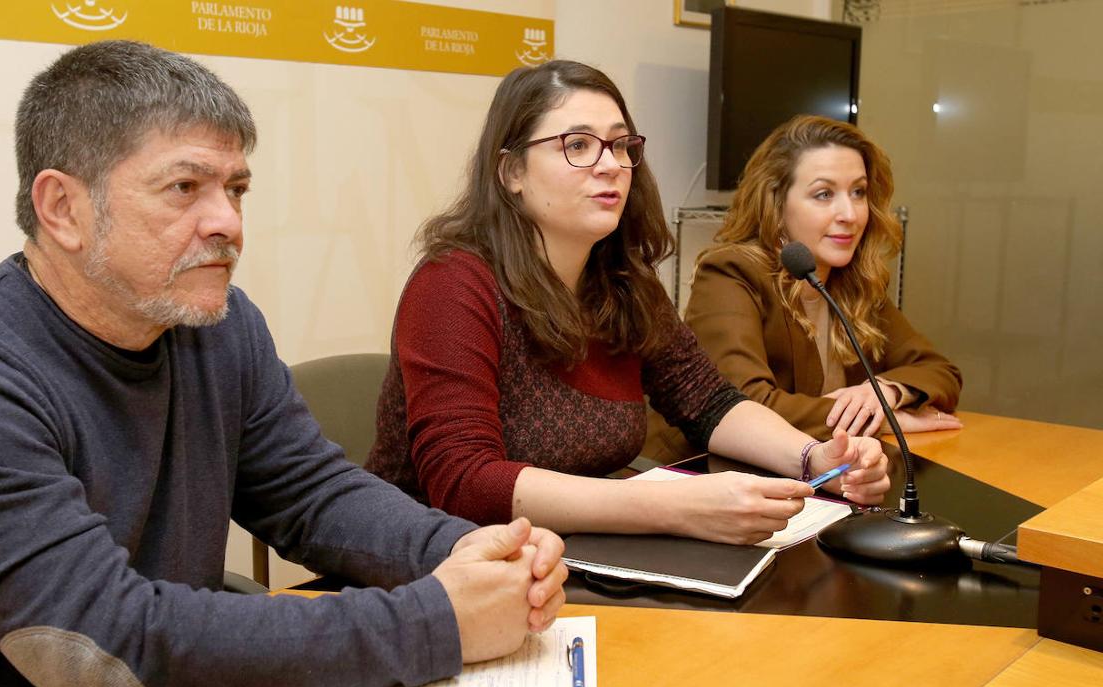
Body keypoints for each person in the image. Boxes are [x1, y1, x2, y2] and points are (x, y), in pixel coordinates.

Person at [0, 41, 568, 687]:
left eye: (237, 190)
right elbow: (108, 653)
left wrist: (459, 549)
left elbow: (311, 494)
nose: (227, 222)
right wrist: (436, 622)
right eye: (185, 188)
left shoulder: (218, 326)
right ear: (62, 208)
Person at [364, 60, 890, 545]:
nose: (610, 165)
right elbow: (464, 482)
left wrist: (813, 457)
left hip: (571, 553)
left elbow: (708, 402)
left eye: (620, 146)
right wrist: (668, 505)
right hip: (430, 566)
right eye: (577, 145)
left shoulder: (622, 280)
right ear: (512, 173)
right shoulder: (451, 285)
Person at [683, 114, 964, 440]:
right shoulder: (730, 274)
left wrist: (885, 394)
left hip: (813, 473)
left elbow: (940, 372)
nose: (850, 214)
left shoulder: (854, 282)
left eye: (858, 192)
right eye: (824, 195)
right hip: (701, 474)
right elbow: (742, 408)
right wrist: (886, 421)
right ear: (776, 203)